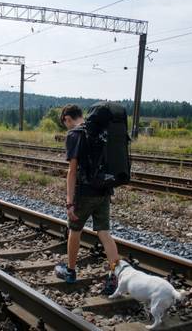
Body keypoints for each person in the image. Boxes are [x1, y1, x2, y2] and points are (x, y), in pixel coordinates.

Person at [54, 104, 119, 294]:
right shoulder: (102, 132)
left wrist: (69, 201)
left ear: (67, 118)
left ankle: (71, 271)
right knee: (104, 233)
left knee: (75, 230)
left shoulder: (74, 135)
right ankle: (115, 277)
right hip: (104, 190)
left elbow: (72, 171)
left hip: (84, 192)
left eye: (65, 123)